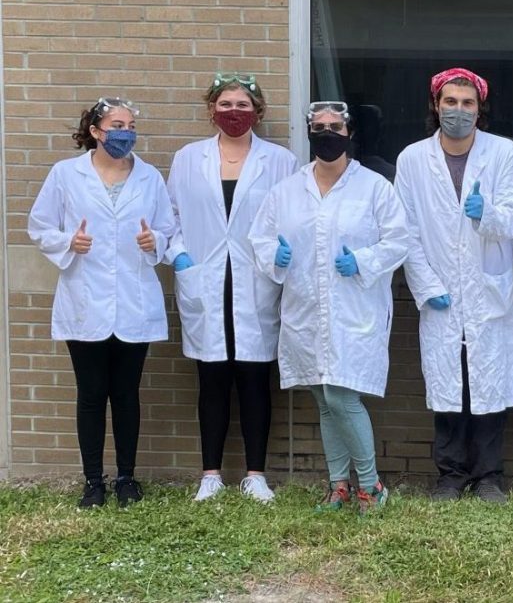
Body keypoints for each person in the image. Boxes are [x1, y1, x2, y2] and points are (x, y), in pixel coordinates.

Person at [249, 101, 409, 515]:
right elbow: (261, 239)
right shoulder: (286, 190)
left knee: (342, 396)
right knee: (323, 398)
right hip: (305, 308)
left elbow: (399, 240)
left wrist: (364, 261)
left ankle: (371, 486)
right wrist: (276, 258)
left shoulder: (375, 187)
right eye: (318, 127)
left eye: (334, 126)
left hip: (354, 310)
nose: (326, 133)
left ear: (348, 132)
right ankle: (339, 486)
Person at [27, 97, 175, 508]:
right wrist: (67, 242)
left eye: (130, 124)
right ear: (95, 131)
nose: (125, 131)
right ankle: (93, 481)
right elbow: (39, 226)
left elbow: (167, 227)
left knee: (127, 394)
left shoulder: (149, 178)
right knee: (91, 394)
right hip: (85, 299)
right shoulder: (65, 175)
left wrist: (155, 242)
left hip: (134, 299)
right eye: (116, 124)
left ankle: (127, 478)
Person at [394, 68, 513, 503]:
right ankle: (450, 475)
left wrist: (485, 212)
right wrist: (424, 282)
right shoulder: (412, 159)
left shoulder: (504, 153)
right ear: (436, 105)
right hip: (441, 289)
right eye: (450, 102)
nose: (458, 111)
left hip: (489, 288)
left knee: (488, 381)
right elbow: (405, 229)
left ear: (480, 109)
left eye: (467, 103)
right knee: (449, 382)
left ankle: (489, 476)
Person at [166, 73, 298, 503]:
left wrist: (280, 255)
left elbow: (289, 218)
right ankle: (211, 474)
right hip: (204, 278)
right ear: (211, 110)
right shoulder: (188, 158)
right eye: (226, 105)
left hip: (257, 280)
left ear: (257, 112)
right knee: (212, 380)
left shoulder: (280, 160)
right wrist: (180, 255)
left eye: (243, 105)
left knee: (256, 379)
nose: (234, 113)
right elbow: (171, 217)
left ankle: (256, 474)